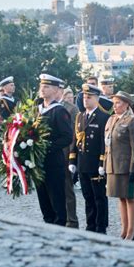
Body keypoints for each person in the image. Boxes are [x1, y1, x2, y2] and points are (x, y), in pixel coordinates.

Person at [69, 83, 110, 234]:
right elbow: (75, 139)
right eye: (84, 97)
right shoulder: (80, 116)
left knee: (99, 197)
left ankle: (101, 226)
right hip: (83, 163)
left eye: (89, 97)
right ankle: (90, 224)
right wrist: (72, 160)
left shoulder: (103, 117)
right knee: (87, 197)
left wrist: (102, 162)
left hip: (95, 163)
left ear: (97, 99)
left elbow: (103, 143)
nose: (86, 100)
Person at [36, 74, 74, 226]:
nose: (42, 89)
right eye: (41, 86)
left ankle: (59, 228)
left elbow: (67, 137)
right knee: (43, 200)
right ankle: (47, 225)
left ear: (55, 90)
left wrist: (47, 146)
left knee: (56, 200)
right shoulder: (37, 109)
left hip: (53, 162)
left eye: (46, 87)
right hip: (38, 163)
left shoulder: (59, 111)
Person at [104, 91, 134, 240]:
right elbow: (107, 145)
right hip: (112, 164)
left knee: (130, 197)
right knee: (120, 197)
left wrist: (133, 168)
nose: (115, 106)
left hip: (125, 165)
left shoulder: (131, 120)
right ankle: (124, 229)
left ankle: (131, 231)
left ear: (126, 104)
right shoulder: (111, 120)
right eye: (114, 103)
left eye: (118, 103)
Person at [56, 84, 80, 229]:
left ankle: (71, 219)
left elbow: (74, 135)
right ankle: (60, 217)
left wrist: (72, 155)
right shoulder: (43, 107)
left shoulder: (72, 109)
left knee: (67, 189)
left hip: (66, 153)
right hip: (53, 155)